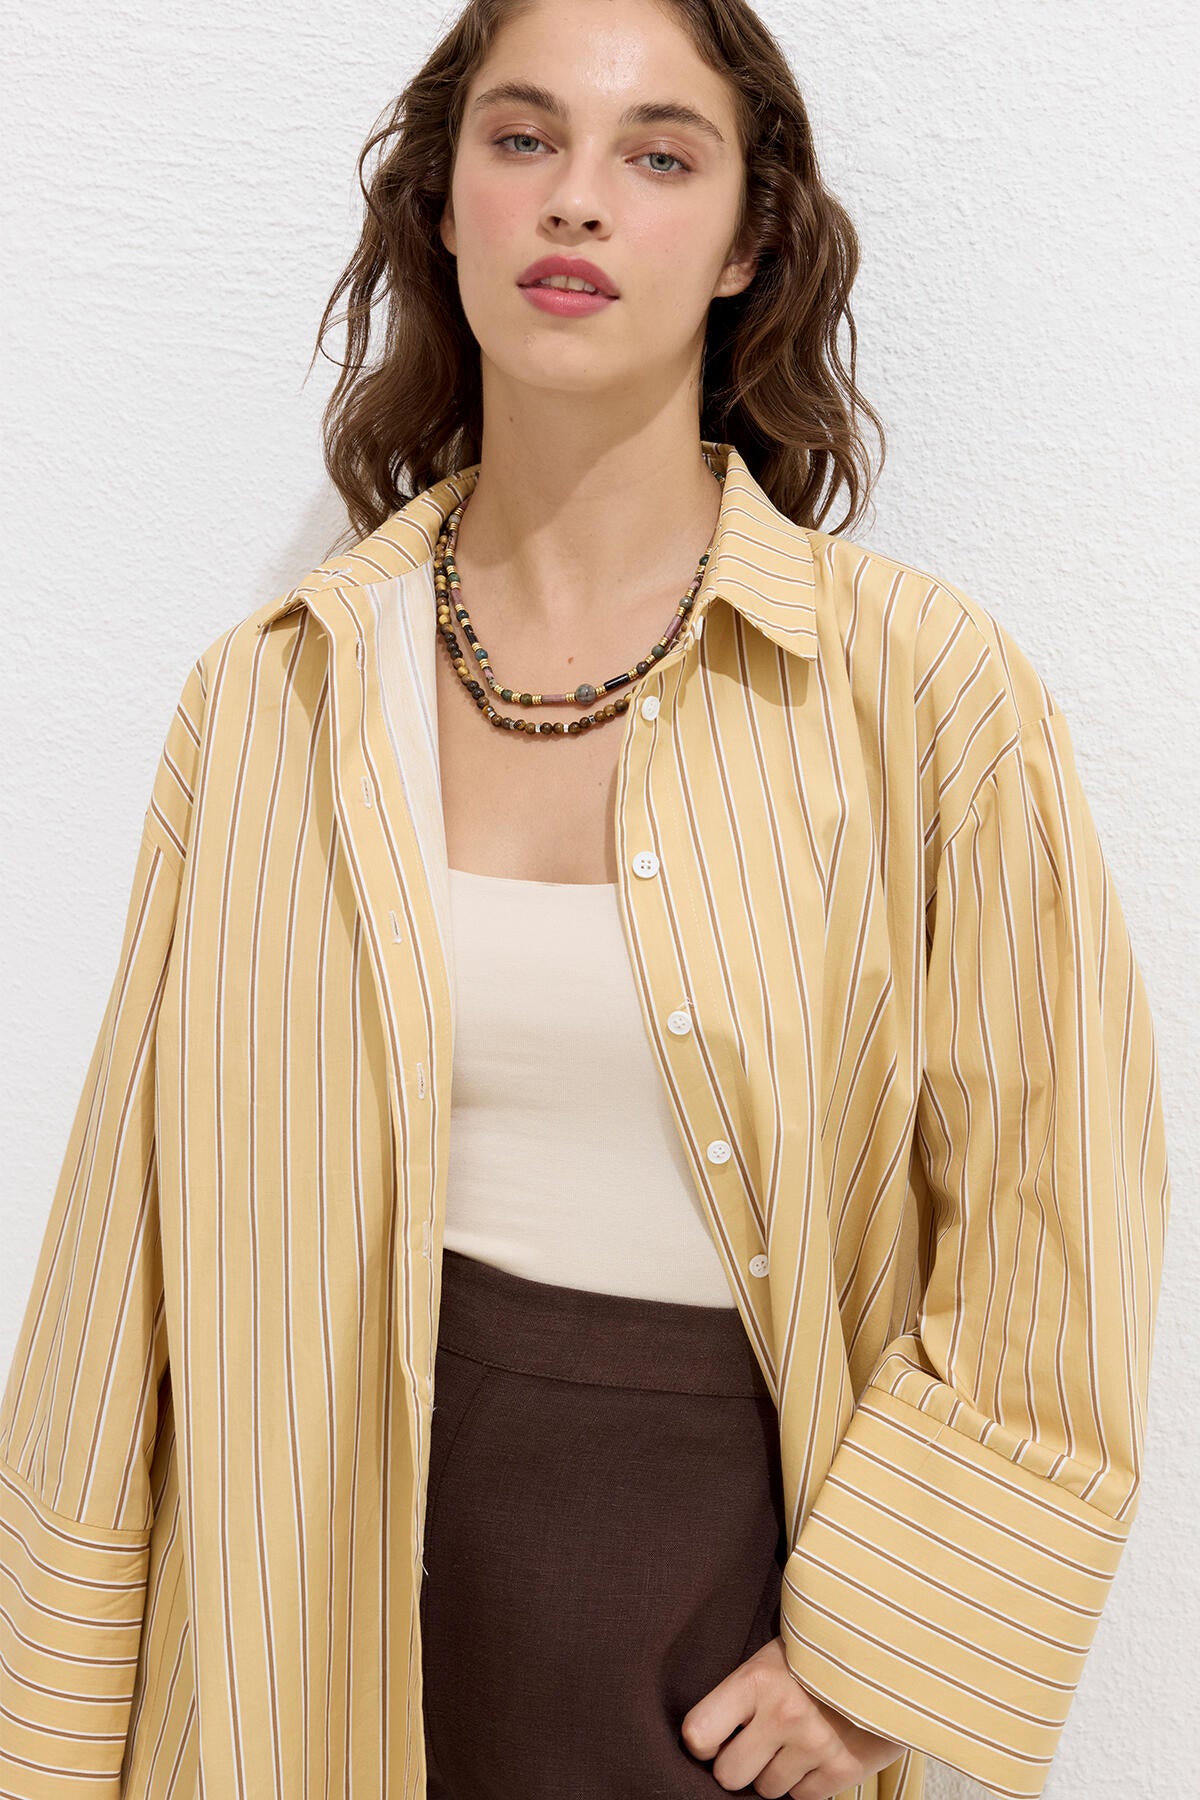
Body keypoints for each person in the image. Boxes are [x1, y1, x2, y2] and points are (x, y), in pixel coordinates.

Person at [0, 1, 1172, 1797]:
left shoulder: (919, 691)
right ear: (446, 202)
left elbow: (1056, 1204)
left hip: (711, 1617)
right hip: (294, 1598)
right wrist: (53, 1728)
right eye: (524, 139)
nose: (578, 199)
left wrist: (880, 1658)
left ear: (748, 241)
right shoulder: (273, 698)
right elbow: (122, 1255)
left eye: (659, 154)